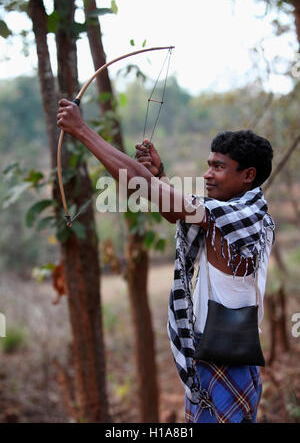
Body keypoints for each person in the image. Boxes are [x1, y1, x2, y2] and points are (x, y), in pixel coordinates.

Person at [57, 99, 275, 423]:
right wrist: (159, 175)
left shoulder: (238, 217)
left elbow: (138, 183)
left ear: (248, 176)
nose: (207, 174)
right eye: (209, 164)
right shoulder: (244, 211)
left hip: (228, 359)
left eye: (218, 167)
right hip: (219, 352)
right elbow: (178, 207)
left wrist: (82, 130)